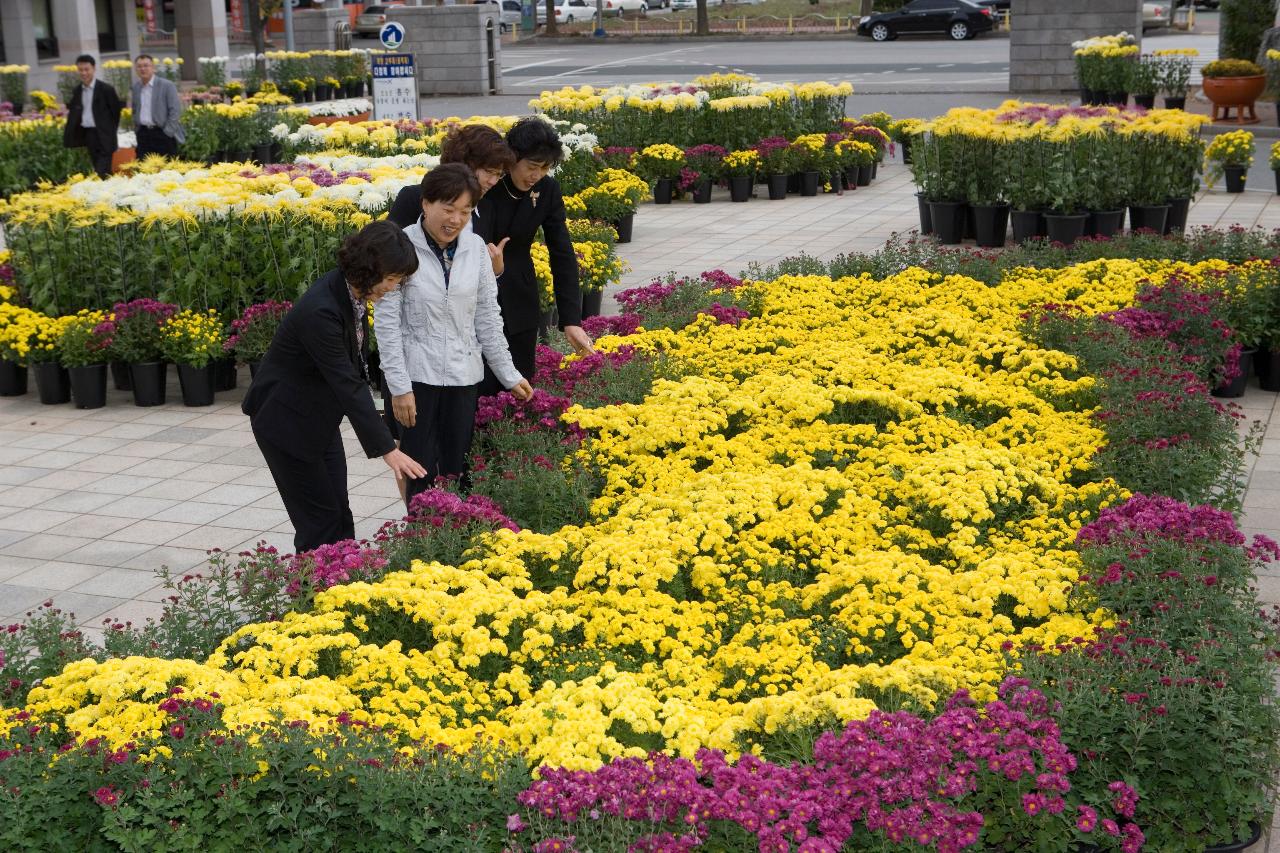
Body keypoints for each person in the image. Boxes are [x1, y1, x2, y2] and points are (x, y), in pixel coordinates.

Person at [243, 221, 427, 552]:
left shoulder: (349, 295)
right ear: (369, 269)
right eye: (390, 280)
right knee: (319, 522)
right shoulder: (321, 310)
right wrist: (387, 448)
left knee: (339, 515)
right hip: (286, 424)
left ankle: (341, 593)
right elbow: (348, 383)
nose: (391, 288)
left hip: (316, 421)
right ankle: (313, 599)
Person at [375, 163, 533, 506]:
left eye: (465, 211)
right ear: (425, 203)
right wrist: (399, 388)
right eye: (448, 209)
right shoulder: (400, 246)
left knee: (456, 469)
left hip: (463, 376)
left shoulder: (475, 248)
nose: (456, 220)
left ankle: (456, 538)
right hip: (416, 379)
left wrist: (509, 374)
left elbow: (488, 317)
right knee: (419, 471)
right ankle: (420, 542)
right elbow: (386, 325)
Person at [477, 117, 593, 390]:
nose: (536, 175)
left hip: (520, 293)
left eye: (545, 168)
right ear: (512, 158)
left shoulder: (547, 189)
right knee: (482, 386)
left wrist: (571, 319)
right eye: (531, 167)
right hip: (479, 291)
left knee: (520, 382)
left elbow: (561, 252)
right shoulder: (490, 185)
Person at [387, 123, 515, 271]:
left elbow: (483, 276)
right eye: (488, 171)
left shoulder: (486, 208)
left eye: (499, 175)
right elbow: (388, 256)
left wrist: (496, 270)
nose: (493, 181)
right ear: (465, 164)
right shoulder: (413, 198)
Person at [62, 54, 123, 179]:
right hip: (89, 135)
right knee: (99, 169)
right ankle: (109, 193)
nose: (84, 73)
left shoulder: (106, 89)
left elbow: (116, 113)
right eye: (80, 70)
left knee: (100, 172)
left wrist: (109, 130)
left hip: (105, 135)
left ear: (94, 69)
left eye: (86, 69)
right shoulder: (77, 90)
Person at [131, 54, 185, 160]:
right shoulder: (136, 87)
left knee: (166, 170)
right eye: (139, 66)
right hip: (143, 134)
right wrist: (137, 129)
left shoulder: (167, 85)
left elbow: (175, 110)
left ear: (153, 68)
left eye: (146, 66)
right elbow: (135, 109)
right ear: (136, 69)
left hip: (162, 133)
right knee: (143, 169)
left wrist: (168, 132)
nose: (143, 69)